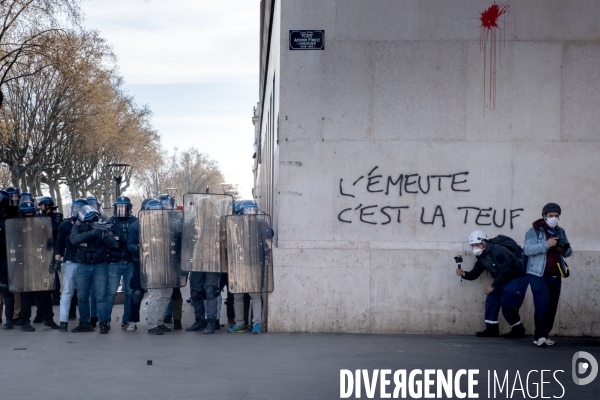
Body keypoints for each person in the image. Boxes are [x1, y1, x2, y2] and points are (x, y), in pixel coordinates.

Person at [456, 230, 528, 338]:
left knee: (507, 301)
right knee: (492, 299)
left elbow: (506, 270)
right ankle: (491, 330)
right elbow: (474, 274)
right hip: (502, 279)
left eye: (477, 245)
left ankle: (518, 330)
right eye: (473, 246)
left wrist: (493, 286)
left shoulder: (498, 250)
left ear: (484, 243)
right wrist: (463, 274)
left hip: (516, 277)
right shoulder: (482, 258)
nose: (475, 248)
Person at [524, 203, 572, 347]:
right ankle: (539, 336)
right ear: (544, 216)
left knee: (552, 306)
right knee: (542, 303)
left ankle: (544, 335)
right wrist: (547, 244)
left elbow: (568, 252)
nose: (554, 218)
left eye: (556, 216)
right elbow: (528, 249)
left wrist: (563, 249)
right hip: (538, 273)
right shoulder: (534, 231)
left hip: (556, 273)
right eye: (551, 216)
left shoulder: (560, 231)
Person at [70, 205, 119, 334]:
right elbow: (73, 239)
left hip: (100, 265)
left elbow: (113, 243)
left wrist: (103, 235)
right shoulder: (77, 225)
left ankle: (103, 323)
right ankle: (84, 323)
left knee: (101, 297)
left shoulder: (101, 224)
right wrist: (90, 233)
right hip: (83, 265)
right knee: (82, 297)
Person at [15, 201, 59, 331]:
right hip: (25, 264)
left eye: (30, 212)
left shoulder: (41, 224)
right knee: (27, 295)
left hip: (40, 262)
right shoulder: (16, 226)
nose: (29, 215)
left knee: (45, 293)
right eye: (26, 213)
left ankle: (48, 319)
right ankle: (24, 321)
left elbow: (48, 240)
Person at [54, 198, 88, 332]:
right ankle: (63, 321)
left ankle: (86, 320)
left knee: (83, 293)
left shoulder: (90, 223)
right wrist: (57, 260)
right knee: (68, 292)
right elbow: (59, 244)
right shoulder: (65, 225)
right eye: (75, 208)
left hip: (84, 262)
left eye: (79, 209)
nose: (76, 211)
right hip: (71, 261)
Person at [141, 199, 174, 335]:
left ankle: (159, 321)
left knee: (166, 294)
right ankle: (152, 324)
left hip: (166, 263)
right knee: (156, 294)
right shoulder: (142, 225)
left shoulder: (166, 224)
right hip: (152, 263)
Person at [104, 196, 137, 329]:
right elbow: (105, 239)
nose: (122, 210)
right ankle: (105, 321)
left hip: (130, 261)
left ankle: (127, 319)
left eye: (124, 207)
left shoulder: (135, 221)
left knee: (130, 292)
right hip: (115, 260)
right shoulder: (110, 221)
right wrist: (115, 239)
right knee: (111, 292)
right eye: (119, 207)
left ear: (129, 208)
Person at [125, 198, 153, 332]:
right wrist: (142, 247)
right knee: (137, 292)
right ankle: (132, 320)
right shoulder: (135, 226)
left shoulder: (163, 224)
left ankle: (157, 320)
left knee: (160, 292)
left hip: (159, 262)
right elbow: (129, 246)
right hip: (140, 262)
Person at [0, 189, 18, 329]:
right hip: (4, 255)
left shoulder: (12, 213)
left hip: (7, 255)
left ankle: (10, 319)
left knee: (7, 288)